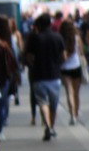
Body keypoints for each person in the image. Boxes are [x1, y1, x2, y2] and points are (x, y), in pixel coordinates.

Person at [24, 13, 65, 141]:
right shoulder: (58, 37)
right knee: (53, 105)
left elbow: (29, 57)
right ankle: (52, 127)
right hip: (54, 76)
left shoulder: (34, 38)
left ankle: (47, 125)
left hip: (39, 76)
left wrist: (33, 65)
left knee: (42, 103)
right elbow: (63, 57)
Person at [58, 18, 84, 125]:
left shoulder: (61, 39)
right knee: (76, 93)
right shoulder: (77, 38)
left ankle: (72, 115)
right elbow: (81, 52)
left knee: (69, 92)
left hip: (65, 69)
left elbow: (62, 56)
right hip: (76, 67)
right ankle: (76, 113)